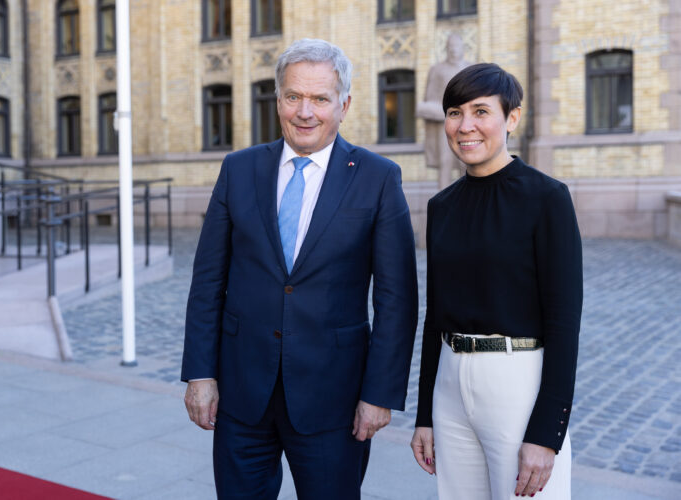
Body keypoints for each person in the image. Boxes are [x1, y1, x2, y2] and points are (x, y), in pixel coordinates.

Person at [181, 38, 418, 499]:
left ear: (344, 104)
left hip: (335, 402)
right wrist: (200, 373)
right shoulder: (238, 169)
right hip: (241, 395)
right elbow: (208, 279)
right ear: (278, 100)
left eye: (319, 99)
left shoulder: (377, 178)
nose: (304, 111)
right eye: (293, 97)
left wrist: (379, 394)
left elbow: (397, 299)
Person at [410, 63, 582, 499]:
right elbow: (435, 317)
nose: (465, 126)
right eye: (454, 112)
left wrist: (547, 433)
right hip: (451, 383)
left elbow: (564, 321)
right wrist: (426, 415)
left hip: (517, 381)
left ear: (512, 118)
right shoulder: (442, 206)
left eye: (480, 111)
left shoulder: (547, 199)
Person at [416, 33, 470, 190]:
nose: (454, 50)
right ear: (446, 49)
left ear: (462, 48)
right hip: (444, 123)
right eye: (451, 46)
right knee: (445, 161)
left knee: (465, 161)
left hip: (467, 123)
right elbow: (430, 98)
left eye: (457, 46)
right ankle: (444, 200)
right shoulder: (437, 70)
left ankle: (467, 198)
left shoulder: (470, 69)